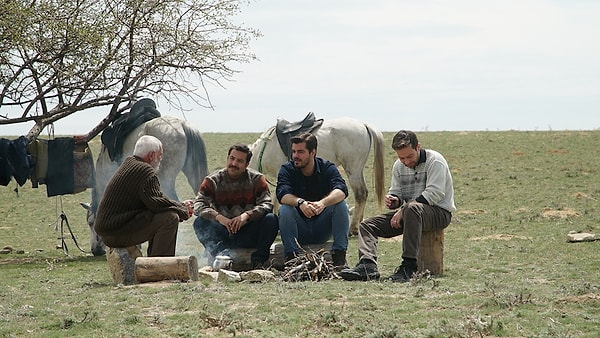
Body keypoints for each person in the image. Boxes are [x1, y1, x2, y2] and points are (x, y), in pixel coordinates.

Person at [340, 130, 456, 282]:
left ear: (418, 147)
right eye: (401, 158)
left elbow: (435, 193)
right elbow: (396, 192)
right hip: (410, 214)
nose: (406, 161)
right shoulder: (398, 167)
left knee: (411, 209)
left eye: (409, 156)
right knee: (367, 225)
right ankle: (367, 266)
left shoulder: (435, 161)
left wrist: (403, 209)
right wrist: (394, 200)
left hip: (439, 213)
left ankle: (409, 266)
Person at [94, 135, 193, 257]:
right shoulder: (145, 170)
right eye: (160, 155)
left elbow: (154, 200)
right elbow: (156, 203)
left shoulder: (131, 163)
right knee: (170, 218)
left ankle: (153, 263)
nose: (161, 160)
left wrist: (180, 206)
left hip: (111, 230)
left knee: (163, 215)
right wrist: (182, 210)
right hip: (115, 233)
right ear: (151, 155)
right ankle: (159, 268)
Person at [193, 143, 278, 269]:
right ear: (227, 158)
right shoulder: (212, 180)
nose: (234, 163)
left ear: (246, 164)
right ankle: (220, 257)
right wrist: (219, 218)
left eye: (239, 161)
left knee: (271, 219)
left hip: (247, 231)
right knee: (200, 223)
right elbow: (198, 205)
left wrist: (246, 216)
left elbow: (267, 204)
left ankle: (259, 261)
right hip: (223, 232)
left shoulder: (256, 179)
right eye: (232, 158)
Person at [276, 132, 350, 269]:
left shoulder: (327, 167)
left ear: (313, 152)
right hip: (298, 228)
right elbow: (282, 194)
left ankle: (339, 258)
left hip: (321, 226)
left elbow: (342, 190)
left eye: (300, 152)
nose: (295, 156)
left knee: (341, 206)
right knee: (285, 209)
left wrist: (322, 203)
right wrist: (301, 203)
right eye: (293, 152)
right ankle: (292, 259)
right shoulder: (287, 169)